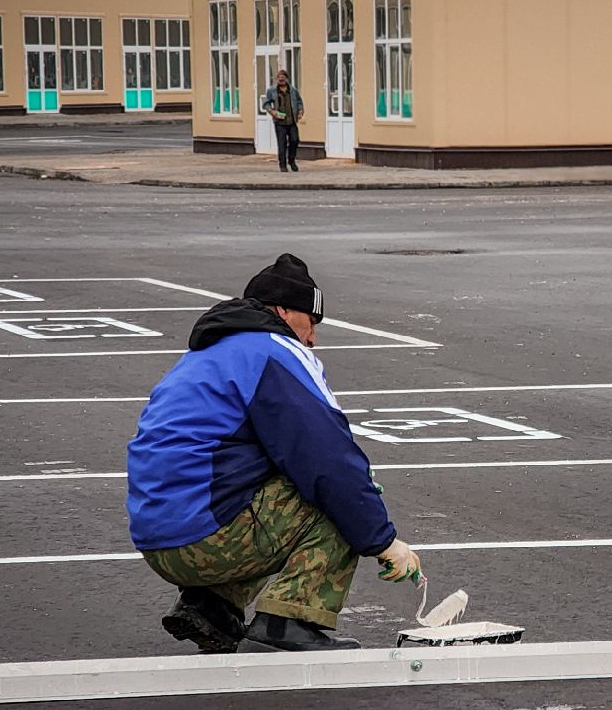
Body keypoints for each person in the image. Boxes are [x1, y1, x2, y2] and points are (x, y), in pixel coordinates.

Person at [127, 254, 420, 652]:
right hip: (204, 540)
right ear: (283, 310)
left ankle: (212, 605)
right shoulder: (277, 352)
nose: (312, 338)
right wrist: (384, 542)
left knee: (270, 481)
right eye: (311, 322)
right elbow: (330, 463)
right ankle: (288, 622)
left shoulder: (206, 353)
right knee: (340, 491)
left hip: (157, 537)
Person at [262, 69, 303, 172]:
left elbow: (299, 101)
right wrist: (272, 111)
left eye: (283, 78)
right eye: (279, 79)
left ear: (286, 79)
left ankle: (291, 160)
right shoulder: (272, 91)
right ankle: (282, 165)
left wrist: (301, 111)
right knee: (282, 144)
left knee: (295, 140)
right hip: (279, 122)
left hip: (291, 120)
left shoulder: (293, 90)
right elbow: (266, 103)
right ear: (277, 79)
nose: (281, 80)